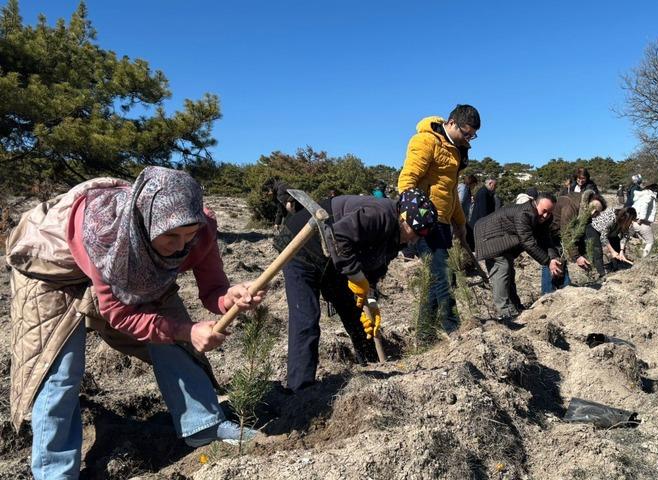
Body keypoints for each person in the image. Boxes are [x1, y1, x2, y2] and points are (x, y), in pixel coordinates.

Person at [6, 167, 266, 479]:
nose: (181, 246)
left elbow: (213, 290)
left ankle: (203, 426)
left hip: (137, 268)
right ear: (144, 225)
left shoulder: (200, 227)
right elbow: (120, 315)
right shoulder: (105, 231)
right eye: (170, 236)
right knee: (59, 370)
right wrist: (187, 330)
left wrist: (231, 298)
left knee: (175, 341)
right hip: (51, 270)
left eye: (188, 235)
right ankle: (55, 472)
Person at [277, 189, 437, 391]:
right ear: (404, 219)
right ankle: (299, 390)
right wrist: (356, 276)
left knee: (355, 313)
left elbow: (375, 265)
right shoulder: (381, 215)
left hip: (331, 257)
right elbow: (339, 238)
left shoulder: (396, 236)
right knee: (306, 317)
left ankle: (372, 367)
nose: (415, 240)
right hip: (302, 246)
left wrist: (369, 298)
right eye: (417, 233)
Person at [397, 104, 479, 332]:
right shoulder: (425, 141)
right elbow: (406, 182)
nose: (468, 139)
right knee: (443, 275)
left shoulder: (456, 150)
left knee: (436, 279)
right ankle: (453, 329)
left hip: (443, 222)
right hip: (424, 221)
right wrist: (415, 219)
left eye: (473, 136)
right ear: (452, 123)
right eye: (466, 133)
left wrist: (460, 223)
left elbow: (450, 191)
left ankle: (425, 334)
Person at [475, 193, 562, 318]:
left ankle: (515, 305)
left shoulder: (544, 217)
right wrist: (548, 262)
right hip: (488, 237)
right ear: (535, 204)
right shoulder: (524, 214)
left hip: (504, 241)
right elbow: (528, 242)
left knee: (509, 270)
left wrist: (553, 258)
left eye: (549, 212)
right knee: (502, 267)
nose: (545, 215)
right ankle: (504, 311)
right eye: (544, 211)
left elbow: (546, 239)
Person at [544, 190, 606, 292]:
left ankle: (562, 291)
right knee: (552, 263)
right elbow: (566, 233)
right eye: (597, 212)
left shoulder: (584, 210)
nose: (597, 215)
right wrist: (577, 257)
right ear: (591, 208)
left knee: (561, 263)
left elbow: (580, 234)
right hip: (551, 233)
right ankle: (547, 294)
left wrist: (584, 254)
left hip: (560, 235)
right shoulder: (570, 206)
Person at [590, 207, 637, 275]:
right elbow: (603, 238)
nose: (632, 222)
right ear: (625, 218)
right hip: (595, 229)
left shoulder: (626, 221)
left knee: (617, 245)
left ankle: (617, 267)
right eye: (631, 220)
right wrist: (612, 252)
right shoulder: (611, 219)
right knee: (598, 251)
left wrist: (621, 251)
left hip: (611, 231)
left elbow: (625, 236)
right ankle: (601, 273)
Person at [625, 183, 657, 257]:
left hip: (634, 221)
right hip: (641, 222)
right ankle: (644, 258)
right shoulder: (649, 196)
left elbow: (635, 207)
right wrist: (642, 218)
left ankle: (637, 255)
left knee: (643, 241)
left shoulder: (641, 196)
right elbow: (644, 206)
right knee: (650, 242)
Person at [458, 174, 479, 249]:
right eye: (474, 185)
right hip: (459, 217)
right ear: (472, 183)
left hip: (463, 217)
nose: (474, 187)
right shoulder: (464, 188)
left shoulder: (466, 189)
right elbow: (461, 201)